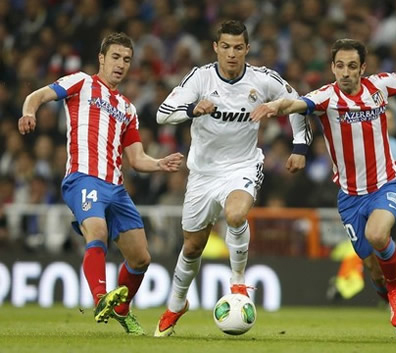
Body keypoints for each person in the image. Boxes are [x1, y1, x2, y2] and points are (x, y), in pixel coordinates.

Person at [251, 38, 396, 340]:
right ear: (332, 67)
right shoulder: (326, 97)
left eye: (352, 66)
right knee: (372, 269)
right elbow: (296, 105)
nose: (345, 72)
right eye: (339, 66)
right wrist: (276, 106)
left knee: (378, 235)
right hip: (350, 197)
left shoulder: (379, 86)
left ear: (363, 68)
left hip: (386, 184)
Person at [18, 32, 184, 335]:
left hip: (116, 188)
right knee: (98, 232)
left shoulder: (127, 108)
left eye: (127, 59)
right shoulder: (81, 82)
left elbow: (136, 158)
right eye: (116, 57)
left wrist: (159, 164)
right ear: (102, 58)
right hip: (82, 178)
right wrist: (29, 111)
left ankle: (121, 307)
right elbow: (37, 96)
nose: (121, 64)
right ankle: (100, 299)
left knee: (141, 258)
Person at [153, 20, 310, 337]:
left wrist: (300, 147)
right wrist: (193, 109)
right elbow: (162, 113)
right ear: (215, 48)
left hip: (242, 165)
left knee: (236, 214)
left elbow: (299, 104)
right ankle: (175, 305)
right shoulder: (200, 77)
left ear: (247, 49)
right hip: (202, 173)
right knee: (193, 247)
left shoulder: (263, 80)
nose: (232, 53)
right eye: (225, 46)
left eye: (238, 47)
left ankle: (238, 282)